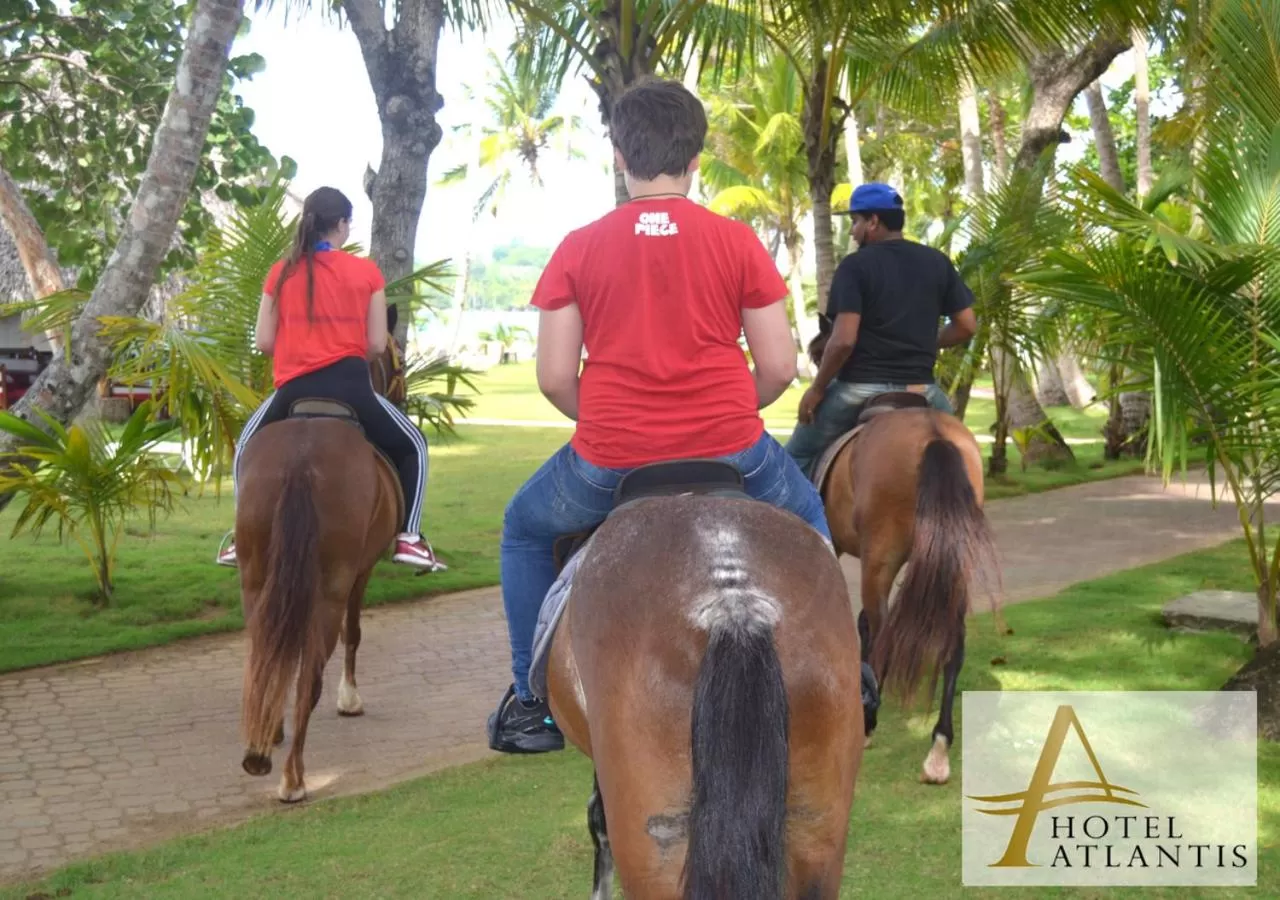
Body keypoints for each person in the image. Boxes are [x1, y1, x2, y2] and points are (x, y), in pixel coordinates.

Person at [487, 76, 833, 755]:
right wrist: (732, 409)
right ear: (697, 158)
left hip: (609, 460)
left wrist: (614, 421)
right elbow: (781, 366)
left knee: (525, 531)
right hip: (733, 449)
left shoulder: (578, 247)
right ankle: (849, 673)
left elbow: (555, 376)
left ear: (619, 155)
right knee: (812, 516)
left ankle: (530, 705)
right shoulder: (736, 241)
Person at [214, 186, 445, 572]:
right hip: (352, 388)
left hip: (293, 390)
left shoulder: (280, 272)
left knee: (245, 447)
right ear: (341, 224)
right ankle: (409, 539)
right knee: (415, 446)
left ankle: (241, 537)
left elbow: (264, 341)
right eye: (348, 222)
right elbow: (375, 343)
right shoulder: (366, 272)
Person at [784, 182, 978, 478]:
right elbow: (967, 326)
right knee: (963, 462)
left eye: (855, 222)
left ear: (873, 221)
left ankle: (796, 524)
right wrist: (924, 343)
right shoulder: (937, 262)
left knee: (794, 458)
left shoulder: (855, 266)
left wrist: (817, 388)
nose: (852, 231)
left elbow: (844, 340)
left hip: (859, 388)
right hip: (922, 389)